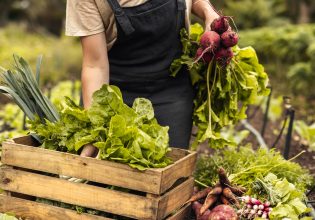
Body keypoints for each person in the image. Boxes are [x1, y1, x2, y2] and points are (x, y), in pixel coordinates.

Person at [65, 0, 219, 157]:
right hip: (115, 100)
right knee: (104, 176)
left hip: (172, 93)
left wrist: (208, 12)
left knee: (169, 172)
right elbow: (95, 66)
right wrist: (95, 129)